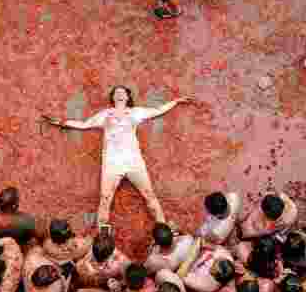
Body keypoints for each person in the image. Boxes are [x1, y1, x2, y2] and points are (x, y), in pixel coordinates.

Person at [40, 86, 199, 233]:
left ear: (128, 96)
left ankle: (164, 229)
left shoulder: (136, 112)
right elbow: (84, 124)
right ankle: (102, 237)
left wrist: (176, 101)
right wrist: (61, 122)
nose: (119, 93)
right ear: (113, 98)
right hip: (112, 163)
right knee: (105, 199)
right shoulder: (104, 114)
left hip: (134, 161)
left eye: (122, 92)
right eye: (116, 92)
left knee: (149, 194)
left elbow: (158, 110)